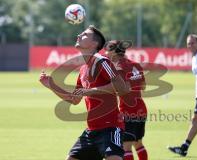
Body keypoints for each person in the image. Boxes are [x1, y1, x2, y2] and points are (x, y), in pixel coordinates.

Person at [39, 25, 129, 160]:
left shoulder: (102, 61)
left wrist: (89, 91)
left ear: (94, 44)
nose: (79, 36)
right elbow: (74, 99)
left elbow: (122, 87)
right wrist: (52, 86)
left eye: (84, 35)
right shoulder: (83, 69)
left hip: (111, 128)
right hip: (91, 132)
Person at [104, 40, 148, 160]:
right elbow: (143, 86)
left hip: (128, 110)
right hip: (141, 108)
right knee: (138, 143)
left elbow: (120, 90)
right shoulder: (136, 65)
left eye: (108, 50)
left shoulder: (118, 68)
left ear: (114, 52)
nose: (106, 53)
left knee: (125, 147)